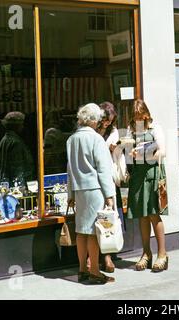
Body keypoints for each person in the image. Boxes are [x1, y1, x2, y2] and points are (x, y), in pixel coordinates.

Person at [66, 103, 116, 284]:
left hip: (79, 190)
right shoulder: (96, 139)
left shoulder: (71, 140)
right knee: (94, 232)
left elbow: (69, 169)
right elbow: (103, 170)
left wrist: (70, 194)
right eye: (98, 119)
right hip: (95, 190)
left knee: (81, 231)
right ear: (93, 120)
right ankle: (94, 271)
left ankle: (82, 270)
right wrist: (110, 196)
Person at [127, 99, 168, 272]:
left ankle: (162, 254)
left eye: (141, 116)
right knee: (141, 214)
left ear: (146, 114)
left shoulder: (155, 128)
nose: (138, 120)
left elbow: (163, 151)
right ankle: (146, 253)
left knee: (153, 213)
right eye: (135, 117)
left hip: (152, 172)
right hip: (138, 174)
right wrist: (131, 154)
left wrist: (147, 154)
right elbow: (128, 154)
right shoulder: (130, 130)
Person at [95, 101, 126, 273]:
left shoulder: (113, 131)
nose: (108, 123)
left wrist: (116, 148)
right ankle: (101, 256)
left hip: (110, 177)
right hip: (97, 179)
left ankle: (109, 252)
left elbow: (117, 155)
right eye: (106, 120)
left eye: (111, 120)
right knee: (100, 215)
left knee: (111, 214)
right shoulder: (93, 132)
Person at [0, 111, 34, 185]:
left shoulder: (4, 140)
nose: (23, 127)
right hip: (16, 185)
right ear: (16, 126)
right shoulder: (16, 142)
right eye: (21, 125)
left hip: (6, 183)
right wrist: (20, 186)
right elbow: (18, 168)